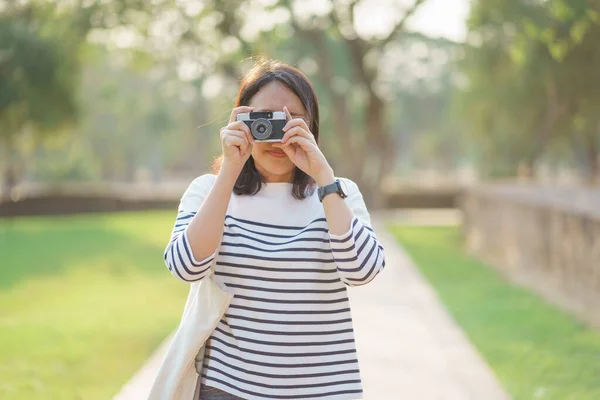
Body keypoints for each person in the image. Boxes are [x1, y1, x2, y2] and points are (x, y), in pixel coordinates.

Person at [163, 58, 386, 400]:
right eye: (265, 119)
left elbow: (363, 271)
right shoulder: (208, 191)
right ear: (240, 121)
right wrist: (230, 170)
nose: (277, 134)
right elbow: (186, 267)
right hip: (229, 386)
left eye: (291, 120)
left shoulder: (339, 193)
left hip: (324, 389)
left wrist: (324, 176)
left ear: (312, 127)